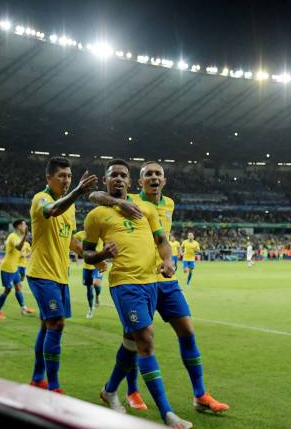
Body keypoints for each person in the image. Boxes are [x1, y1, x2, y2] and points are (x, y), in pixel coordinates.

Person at [90, 160, 229, 415]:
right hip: (136, 279)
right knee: (134, 338)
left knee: (187, 331)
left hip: (165, 280)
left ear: (164, 180)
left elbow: (162, 239)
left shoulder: (169, 204)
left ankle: (200, 395)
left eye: (158, 174)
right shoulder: (130, 199)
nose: (154, 178)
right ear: (139, 181)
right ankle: (132, 391)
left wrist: (168, 261)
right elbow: (96, 194)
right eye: (148, 174)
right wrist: (120, 202)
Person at [83, 159, 192, 428]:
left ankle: (109, 390)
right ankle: (167, 413)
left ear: (130, 182)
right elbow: (86, 253)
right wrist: (101, 254)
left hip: (151, 284)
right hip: (124, 284)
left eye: (123, 175)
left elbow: (162, 242)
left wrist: (168, 261)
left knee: (130, 342)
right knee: (145, 338)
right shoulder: (96, 215)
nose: (118, 179)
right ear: (107, 181)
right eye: (113, 176)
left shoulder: (147, 209)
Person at [26, 157, 98, 393]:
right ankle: (53, 386)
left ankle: (37, 378)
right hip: (41, 272)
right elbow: (53, 210)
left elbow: (71, 242)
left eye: (69, 176)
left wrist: (94, 256)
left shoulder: (71, 206)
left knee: (48, 326)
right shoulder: (41, 199)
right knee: (57, 324)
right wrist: (78, 190)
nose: (66, 180)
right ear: (49, 178)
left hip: (60, 275)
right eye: (62, 176)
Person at [0, 219, 34, 319]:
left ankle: (23, 308)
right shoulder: (13, 237)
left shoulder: (18, 237)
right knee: (7, 290)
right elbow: (18, 247)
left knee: (18, 287)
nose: (25, 227)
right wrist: (25, 236)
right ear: (18, 227)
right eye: (24, 225)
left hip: (14, 268)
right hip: (7, 268)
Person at [73, 230, 107, 318]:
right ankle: (91, 309)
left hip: (98, 265)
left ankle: (98, 295)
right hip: (87, 266)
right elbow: (72, 239)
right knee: (89, 288)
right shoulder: (81, 234)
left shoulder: (100, 233)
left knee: (96, 284)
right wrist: (77, 255)